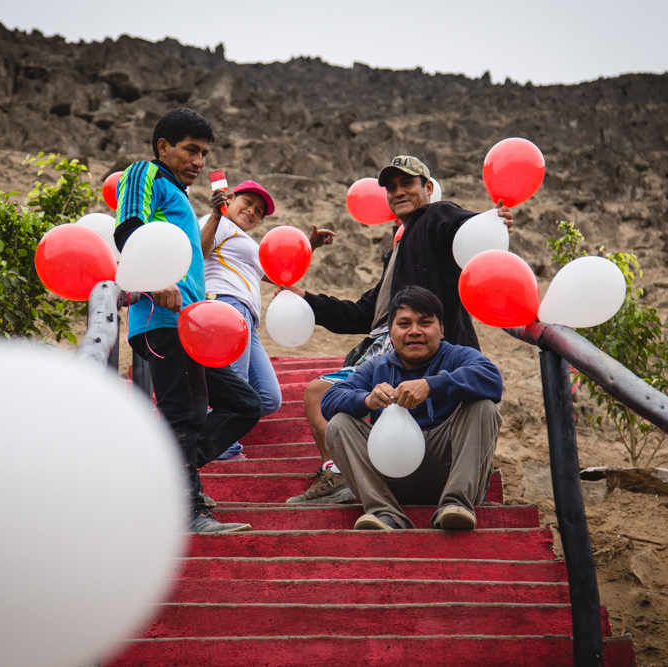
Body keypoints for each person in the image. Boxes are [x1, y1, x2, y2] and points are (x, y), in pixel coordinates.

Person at [283, 155, 513, 505]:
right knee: (324, 395)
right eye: (391, 187)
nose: (398, 192)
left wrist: (492, 222)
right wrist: (305, 299)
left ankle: (341, 476)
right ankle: (343, 474)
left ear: (428, 188)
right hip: (383, 349)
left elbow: (460, 226)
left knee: (317, 392)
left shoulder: (434, 216)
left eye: (407, 183)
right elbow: (363, 313)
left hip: (430, 349)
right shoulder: (397, 251)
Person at [114, 108, 262, 534]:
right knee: (187, 412)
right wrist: (154, 277)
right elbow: (128, 228)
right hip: (160, 321)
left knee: (244, 404)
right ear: (164, 147)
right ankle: (187, 509)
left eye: (204, 154)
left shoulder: (179, 194)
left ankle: (167, 476)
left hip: (190, 326)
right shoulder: (145, 173)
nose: (199, 161)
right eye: (191, 150)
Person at [320, 286, 503, 530]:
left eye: (425, 323)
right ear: (391, 333)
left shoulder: (459, 356)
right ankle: (385, 513)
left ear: (442, 330)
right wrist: (367, 400)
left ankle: (456, 505)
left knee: (483, 406)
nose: (414, 331)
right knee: (339, 424)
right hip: (392, 477)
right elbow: (330, 399)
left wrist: (431, 385)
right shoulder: (376, 367)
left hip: (448, 470)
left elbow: (492, 379)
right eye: (404, 324)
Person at [198, 181, 335, 460]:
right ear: (231, 198)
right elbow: (197, 253)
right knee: (233, 383)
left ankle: (211, 425)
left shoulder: (248, 243)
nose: (252, 211)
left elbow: (277, 275)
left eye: (259, 211)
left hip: (249, 319)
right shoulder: (220, 223)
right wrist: (215, 215)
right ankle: (224, 450)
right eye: (247, 202)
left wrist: (310, 246)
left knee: (269, 397)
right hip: (225, 306)